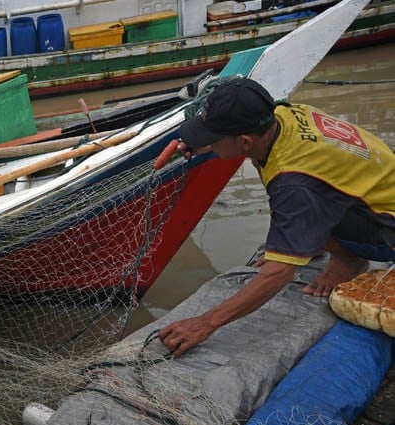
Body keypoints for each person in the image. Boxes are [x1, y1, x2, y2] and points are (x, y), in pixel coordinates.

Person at [159, 77, 394, 358]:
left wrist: (204, 324)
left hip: (385, 226)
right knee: (297, 206)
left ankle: (348, 259)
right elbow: (264, 158)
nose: (209, 143)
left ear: (244, 141)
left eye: (213, 138)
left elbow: (279, 275)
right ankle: (313, 244)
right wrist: (207, 144)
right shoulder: (281, 115)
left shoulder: (294, 183)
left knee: (290, 232)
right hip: (370, 187)